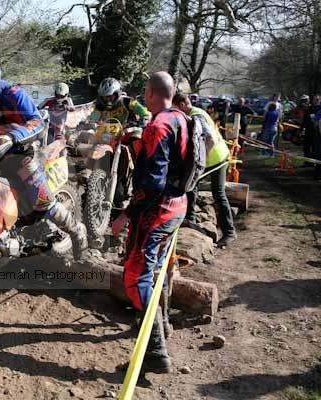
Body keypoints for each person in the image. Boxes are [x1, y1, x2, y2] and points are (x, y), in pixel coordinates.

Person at [0, 48, 88, 259]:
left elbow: (37, 122)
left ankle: (76, 230)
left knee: (42, 202)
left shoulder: (12, 94)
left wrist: (12, 137)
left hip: (24, 151)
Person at [122, 71, 189, 374]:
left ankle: (156, 350)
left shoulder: (158, 126)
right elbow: (175, 163)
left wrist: (126, 214)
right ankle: (159, 324)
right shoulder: (181, 118)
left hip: (157, 211)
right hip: (178, 205)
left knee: (136, 278)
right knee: (152, 273)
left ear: (150, 93)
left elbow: (151, 183)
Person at [173, 92, 237, 248]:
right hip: (214, 158)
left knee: (218, 194)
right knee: (191, 185)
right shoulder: (195, 112)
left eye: (176, 109)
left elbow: (211, 139)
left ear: (182, 105)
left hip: (216, 158)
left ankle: (229, 233)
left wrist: (201, 160)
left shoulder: (197, 116)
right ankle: (190, 219)